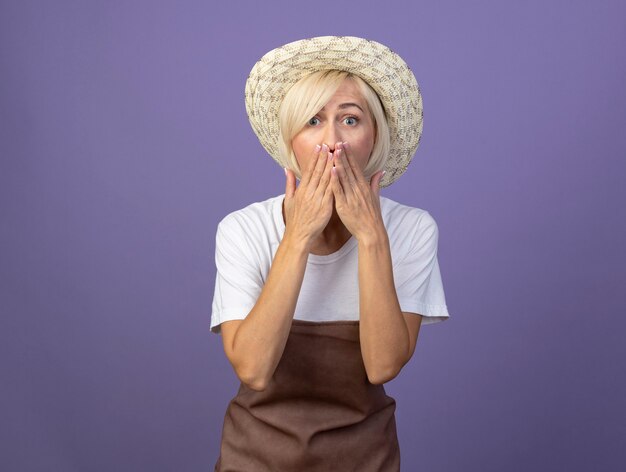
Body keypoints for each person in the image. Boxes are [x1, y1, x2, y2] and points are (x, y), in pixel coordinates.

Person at [210, 36, 451, 471]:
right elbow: (253, 369)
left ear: (374, 136)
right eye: (313, 121)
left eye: (351, 120)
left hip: (365, 460)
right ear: (291, 140)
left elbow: (382, 366)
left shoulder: (413, 229)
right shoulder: (242, 229)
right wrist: (298, 236)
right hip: (254, 459)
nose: (332, 141)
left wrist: (372, 236)